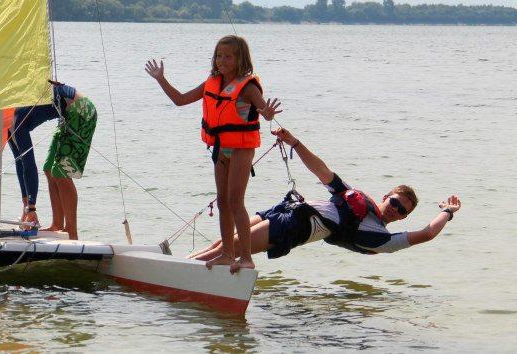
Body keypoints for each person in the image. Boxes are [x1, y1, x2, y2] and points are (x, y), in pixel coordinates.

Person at [189, 128, 461, 261]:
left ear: (403, 219)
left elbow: (426, 234)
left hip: (295, 227)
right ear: (386, 195)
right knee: (220, 243)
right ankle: (178, 264)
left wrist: (447, 212)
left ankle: (176, 273)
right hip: (287, 210)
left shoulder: (381, 237)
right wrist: (294, 141)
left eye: (402, 211)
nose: (395, 209)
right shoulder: (355, 197)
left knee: (230, 249)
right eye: (394, 202)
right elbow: (321, 170)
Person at [146, 35, 282, 273]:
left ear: (241, 58)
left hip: (241, 148)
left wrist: (268, 113)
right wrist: (161, 79)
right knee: (222, 201)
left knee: (235, 201)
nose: (222, 60)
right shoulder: (212, 82)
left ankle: (246, 258)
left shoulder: (248, 86)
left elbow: (264, 111)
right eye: (219, 56)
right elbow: (180, 100)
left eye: (228, 56)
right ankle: (227, 254)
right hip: (221, 147)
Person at [0, 82, 97, 240]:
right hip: (67, 115)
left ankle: (72, 232)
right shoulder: (8, 125)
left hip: (82, 111)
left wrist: (31, 207)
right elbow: (20, 163)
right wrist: (26, 206)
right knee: (49, 169)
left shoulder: (17, 119)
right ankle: (57, 225)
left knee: (60, 172)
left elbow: (29, 163)